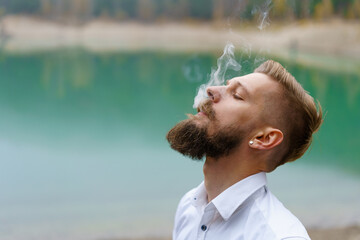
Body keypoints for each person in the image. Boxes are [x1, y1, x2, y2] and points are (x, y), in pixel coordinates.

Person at [166, 60, 323, 240]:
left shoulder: (279, 236)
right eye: (227, 86)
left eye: (237, 95)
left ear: (263, 139)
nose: (211, 90)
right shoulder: (189, 205)